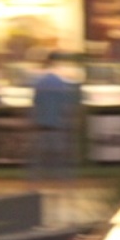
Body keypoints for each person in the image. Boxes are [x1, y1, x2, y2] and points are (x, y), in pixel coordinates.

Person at [30, 52, 81, 186]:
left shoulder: (40, 83)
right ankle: (65, 182)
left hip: (41, 126)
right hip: (57, 125)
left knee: (38, 158)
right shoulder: (61, 84)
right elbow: (67, 105)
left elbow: (35, 102)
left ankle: (33, 182)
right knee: (61, 157)